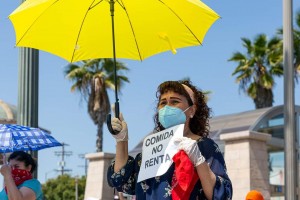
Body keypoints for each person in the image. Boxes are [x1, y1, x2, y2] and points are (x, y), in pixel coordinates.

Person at [107, 80, 233, 199]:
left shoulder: (205, 147)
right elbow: (122, 182)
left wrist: (199, 160)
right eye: (163, 103)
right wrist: (121, 140)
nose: (167, 107)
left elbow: (221, 195)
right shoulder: (151, 151)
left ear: (192, 110)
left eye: (174, 101)